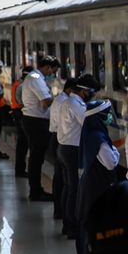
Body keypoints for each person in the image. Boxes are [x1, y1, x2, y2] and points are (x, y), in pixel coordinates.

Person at [75, 100, 120, 254]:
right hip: (98, 186)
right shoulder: (99, 138)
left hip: (89, 184)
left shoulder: (90, 134)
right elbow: (110, 162)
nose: (109, 117)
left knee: (86, 221)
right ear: (99, 117)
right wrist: (115, 151)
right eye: (107, 114)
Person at [56, 76, 99, 239]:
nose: (92, 95)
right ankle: (72, 225)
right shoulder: (75, 105)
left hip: (64, 148)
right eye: (91, 92)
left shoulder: (68, 102)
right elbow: (89, 124)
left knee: (69, 187)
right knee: (74, 189)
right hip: (72, 150)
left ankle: (67, 224)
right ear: (83, 90)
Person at [22, 56, 59, 201]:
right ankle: (35, 191)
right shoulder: (36, 78)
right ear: (48, 67)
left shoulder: (34, 77)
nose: (52, 74)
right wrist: (59, 99)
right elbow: (45, 102)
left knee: (36, 157)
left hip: (34, 120)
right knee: (37, 158)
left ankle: (36, 189)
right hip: (36, 122)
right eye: (52, 70)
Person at [49, 78, 78, 221]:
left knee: (61, 179)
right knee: (64, 181)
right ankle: (62, 212)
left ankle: (60, 211)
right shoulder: (66, 102)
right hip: (61, 140)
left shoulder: (61, 99)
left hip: (59, 138)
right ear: (71, 89)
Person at [11, 64, 32, 179]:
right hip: (20, 113)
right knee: (23, 143)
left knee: (22, 144)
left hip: (17, 112)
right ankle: (20, 170)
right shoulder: (23, 86)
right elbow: (24, 102)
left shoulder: (18, 83)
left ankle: (20, 169)